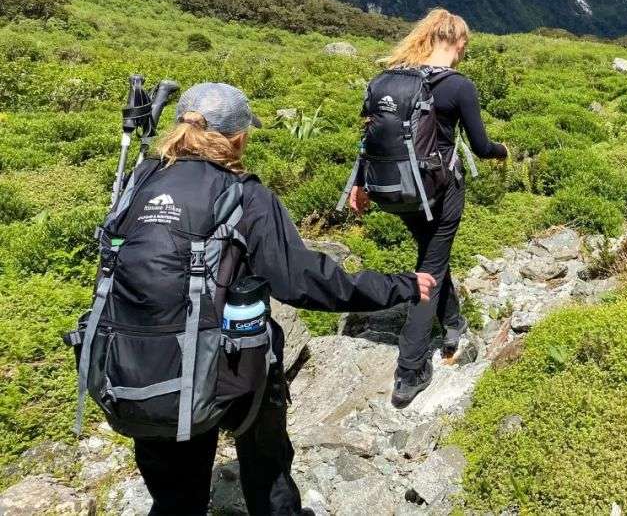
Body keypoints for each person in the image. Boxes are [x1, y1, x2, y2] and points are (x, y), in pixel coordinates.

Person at [126, 83, 436, 515]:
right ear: (237, 137)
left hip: (138, 366)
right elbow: (303, 281)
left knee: (175, 496)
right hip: (229, 369)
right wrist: (398, 286)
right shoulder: (246, 196)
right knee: (267, 467)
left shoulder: (137, 182)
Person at [350, 9, 507, 408]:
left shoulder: (389, 80)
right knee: (431, 270)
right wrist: (502, 151)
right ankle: (411, 369)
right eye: (463, 47)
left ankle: (453, 325)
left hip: (395, 190)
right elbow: (482, 145)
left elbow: (369, 140)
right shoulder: (458, 86)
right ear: (457, 42)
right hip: (440, 191)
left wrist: (357, 184)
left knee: (432, 255)